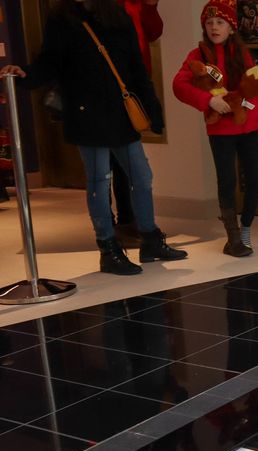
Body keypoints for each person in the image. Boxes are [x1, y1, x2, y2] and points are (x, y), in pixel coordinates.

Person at [0, 0, 186, 276]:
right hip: (86, 113)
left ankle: (150, 238)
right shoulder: (62, 18)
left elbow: (134, 65)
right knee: (100, 180)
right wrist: (25, 74)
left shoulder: (116, 14)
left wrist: (152, 109)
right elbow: (49, 61)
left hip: (120, 112)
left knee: (141, 176)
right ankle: (108, 248)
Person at [173, 0, 258, 257]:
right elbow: (179, 86)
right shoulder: (197, 56)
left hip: (248, 126)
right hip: (220, 132)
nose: (214, 27)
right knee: (227, 181)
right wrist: (208, 101)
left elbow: (256, 92)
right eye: (209, 22)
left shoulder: (242, 54)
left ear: (231, 27)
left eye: (220, 22)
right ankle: (233, 237)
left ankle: (246, 227)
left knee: (255, 180)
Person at [110, 0, 162, 246]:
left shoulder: (138, 4)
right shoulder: (104, 7)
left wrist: (151, 6)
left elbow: (154, 32)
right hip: (109, 87)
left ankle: (129, 221)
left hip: (133, 86)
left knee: (128, 161)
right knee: (107, 164)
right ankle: (112, 227)